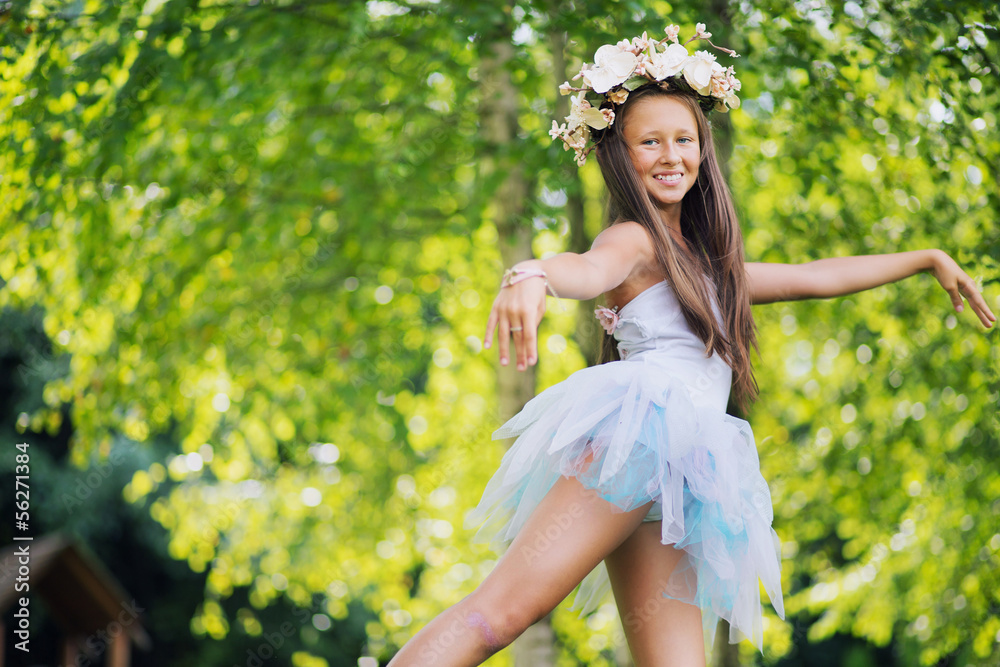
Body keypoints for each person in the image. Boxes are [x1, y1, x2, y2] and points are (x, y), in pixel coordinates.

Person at [386, 24, 995, 667]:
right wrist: (532, 273)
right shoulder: (634, 240)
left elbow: (815, 278)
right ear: (621, 156)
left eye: (685, 139)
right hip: (640, 432)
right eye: (649, 141)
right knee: (502, 613)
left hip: (686, 466)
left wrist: (927, 257)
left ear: (704, 151)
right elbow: (585, 269)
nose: (671, 155)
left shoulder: (706, 265)